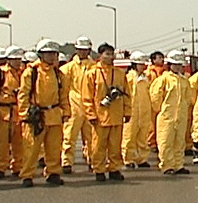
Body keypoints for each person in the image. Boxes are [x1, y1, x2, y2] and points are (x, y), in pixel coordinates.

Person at [17, 39, 71, 187]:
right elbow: (23, 94)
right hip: (36, 115)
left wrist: (66, 112)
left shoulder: (58, 73)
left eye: (53, 54)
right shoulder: (31, 72)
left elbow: (63, 94)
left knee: (54, 148)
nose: (52, 57)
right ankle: (27, 175)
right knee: (32, 148)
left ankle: (53, 173)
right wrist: (24, 114)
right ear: (41, 55)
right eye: (48, 54)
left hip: (54, 114)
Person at [83, 43, 131, 181]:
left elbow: (127, 94)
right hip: (100, 116)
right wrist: (90, 114)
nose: (110, 57)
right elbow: (87, 96)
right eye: (107, 54)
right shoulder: (92, 73)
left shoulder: (120, 73)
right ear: (100, 56)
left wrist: (128, 112)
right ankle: (99, 169)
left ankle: (114, 169)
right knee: (98, 145)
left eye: (112, 54)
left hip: (116, 115)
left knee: (115, 145)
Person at [149, 50, 192, 174]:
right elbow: (155, 95)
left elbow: (188, 97)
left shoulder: (184, 80)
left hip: (181, 116)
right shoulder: (164, 79)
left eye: (180, 65)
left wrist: (184, 110)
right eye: (175, 64)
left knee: (179, 141)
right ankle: (167, 165)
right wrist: (161, 109)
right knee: (165, 141)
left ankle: (178, 164)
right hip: (167, 116)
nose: (178, 67)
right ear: (170, 64)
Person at [60, 36, 95, 174]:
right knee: (69, 135)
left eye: (85, 50)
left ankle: (94, 161)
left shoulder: (95, 67)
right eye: (80, 50)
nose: (83, 52)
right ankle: (66, 162)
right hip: (73, 104)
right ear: (76, 49)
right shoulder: (67, 68)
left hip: (90, 105)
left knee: (92, 137)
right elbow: (62, 88)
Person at [0, 46, 25, 178]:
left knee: (19, 143)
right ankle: (0, 167)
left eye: (18, 59)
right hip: (3, 111)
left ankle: (18, 167)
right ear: (8, 59)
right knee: (2, 143)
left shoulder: (23, 73)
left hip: (19, 112)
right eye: (14, 59)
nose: (17, 61)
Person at [122, 51, 152, 169]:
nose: (143, 66)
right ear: (134, 64)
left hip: (144, 110)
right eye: (141, 64)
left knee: (143, 135)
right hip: (133, 110)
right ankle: (127, 158)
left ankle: (141, 158)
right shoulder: (129, 77)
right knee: (129, 135)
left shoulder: (146, 78)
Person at [146, 51, 166, 151]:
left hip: (163, 101)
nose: (162, 60)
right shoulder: (149, 72)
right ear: (153, 60)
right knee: (152, 124)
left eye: (162, 57)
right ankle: (152, 142)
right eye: (159, 58)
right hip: (151, 100)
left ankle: (160, 141)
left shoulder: (165, 72)